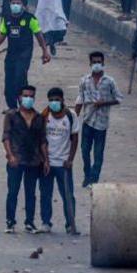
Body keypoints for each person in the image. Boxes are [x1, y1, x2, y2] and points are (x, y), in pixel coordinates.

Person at [0, 0, 52, 111]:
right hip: (11, 53)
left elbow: (38, 34)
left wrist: (45, 51)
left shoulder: (30, 18)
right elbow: (2, 35)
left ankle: (24, 105)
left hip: (24, 54)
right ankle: (12, 107)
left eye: (18, 3)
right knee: (9, 81)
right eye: (13, 3)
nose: (15, 6)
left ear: (23, 5)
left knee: (20, 78)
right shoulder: (6, 18)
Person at [2, 85, 48, 234]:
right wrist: (10, 155)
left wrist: (46, 160)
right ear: (20, 97)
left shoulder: (39, 118)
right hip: (16, 159)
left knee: (31, 193)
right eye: (25, 96)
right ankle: (10, 221)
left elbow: (42, 140)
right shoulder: (11, 115)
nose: (28, 99)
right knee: (13, 192)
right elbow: (6, 137)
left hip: (33, 161)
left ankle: (29, 222)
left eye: (31, 96)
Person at [74, 51, 122, 187]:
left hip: (101, 123)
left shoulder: (110, 81)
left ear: (103, 63)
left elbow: (118, 99)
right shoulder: (84, 81)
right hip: (87, 121)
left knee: (98, 154)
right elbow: (80, 99)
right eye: (94, 62)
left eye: (99, 62)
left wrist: (104, 103)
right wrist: (74, 118)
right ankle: (87, 174)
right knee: (84, 152)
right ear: (90, 64)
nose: (97, 64)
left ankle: (94, 179)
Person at [39, 88, 79, 234]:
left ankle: (70, 223)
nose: (54, 103)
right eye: (51, 100)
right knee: (45, 194)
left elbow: (74, 138)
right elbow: (41, 139)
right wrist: (44, 160)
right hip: (47, 163)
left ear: (62, 100)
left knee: (68, 195)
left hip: (63, 164)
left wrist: (70, 159)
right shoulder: (44, 116)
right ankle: (45, 222)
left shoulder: (71, 116)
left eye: (57, 99)